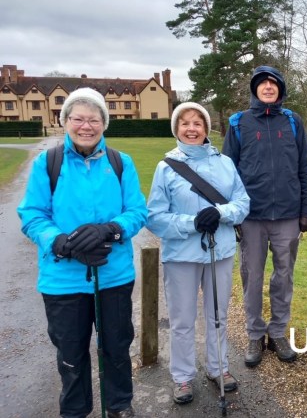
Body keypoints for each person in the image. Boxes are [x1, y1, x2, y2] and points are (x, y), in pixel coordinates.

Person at [17, 88, 148, 418]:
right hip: (63, 279)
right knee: (71, 354)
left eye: (94, 119)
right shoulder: (48, 163)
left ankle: (119, 405)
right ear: (66, 122)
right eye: (78, 119)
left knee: (116, 347)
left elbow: (137, 211)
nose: (86, 126)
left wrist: (111, 229)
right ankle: (75, 411)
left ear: (104, 124)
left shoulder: (120, 162)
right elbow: (32, 214)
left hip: (113, 275)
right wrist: (59, 241)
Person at [146, 102, 250, 404]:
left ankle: (219, 367)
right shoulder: (166, 167)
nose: (191, 129)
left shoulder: (225, 163)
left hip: (220, 251)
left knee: (218, 315)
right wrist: (192, 223)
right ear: (177, 129)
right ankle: (182, 376)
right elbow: (155, 217)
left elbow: (243, 203)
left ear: (206, 128)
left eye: (197, 123)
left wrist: (220, 213)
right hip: (181, 255)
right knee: (182, 319)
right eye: (185, 123)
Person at [222, 65, 307, 367]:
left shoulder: (292, 121)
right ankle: (254, 334)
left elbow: (305, 167)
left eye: (273, 83)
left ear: (280, 89)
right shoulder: (238, 123)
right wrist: (233, 214)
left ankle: (277, 332)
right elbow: (227, 173)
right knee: (252, 277)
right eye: (262, 83)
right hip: (251, 216)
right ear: (254, 89)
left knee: (284, 276)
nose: (267, 87)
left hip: (288, 215)